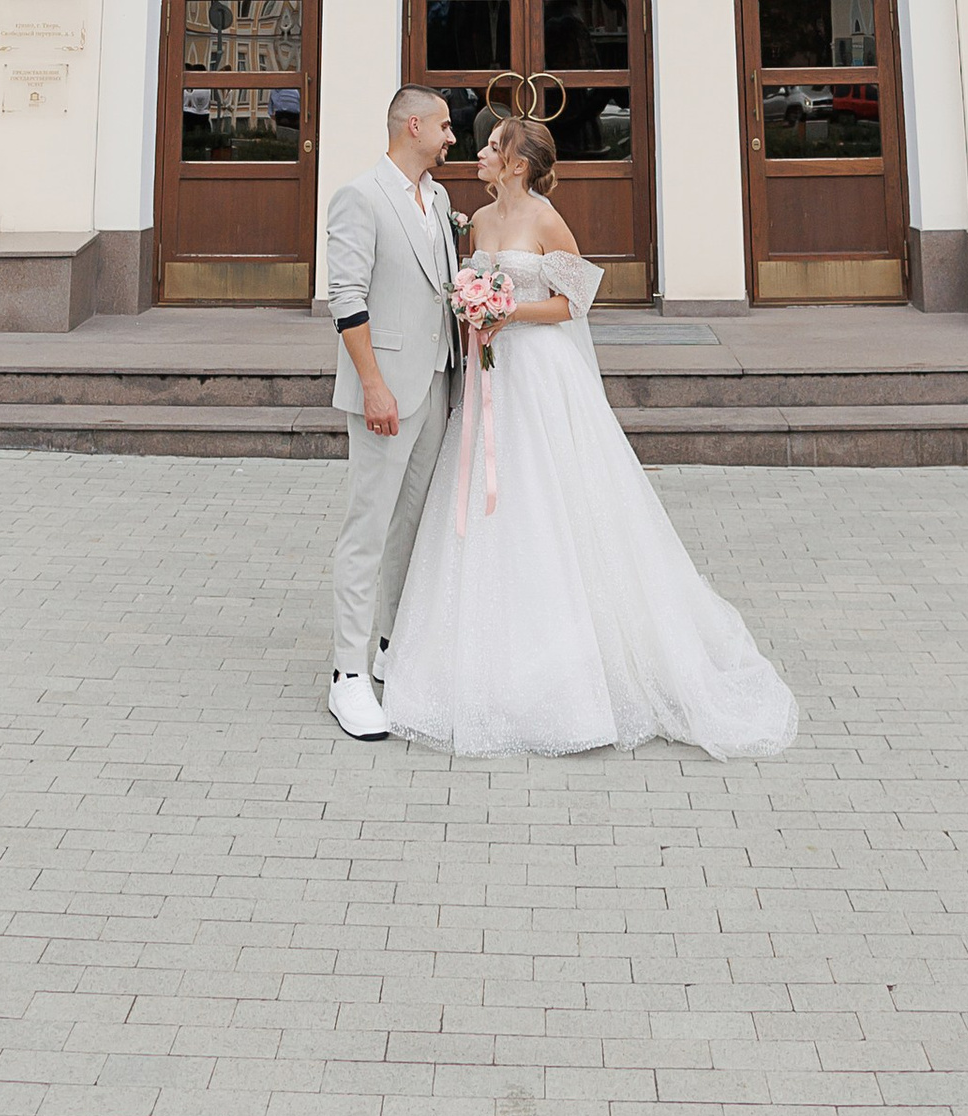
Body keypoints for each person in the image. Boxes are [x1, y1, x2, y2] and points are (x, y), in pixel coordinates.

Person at [382, 115, 798, 760]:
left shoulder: (546, 220)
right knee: (493, 501)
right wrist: (473, 308)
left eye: (495, 147)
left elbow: (574, 303)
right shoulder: (479, 223)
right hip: (494, 381)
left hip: (541, 374)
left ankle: (577, 656)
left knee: (554, 495)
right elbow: (469, 285)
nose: (482, 153)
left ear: (519, 163)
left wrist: (504, 309)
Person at [323, 83, 459, 739]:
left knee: (413, 524)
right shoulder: (359, 196)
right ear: (412, 127)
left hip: (435, 384)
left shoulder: (438, 199)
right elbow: (345, 301)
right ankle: (347, 676)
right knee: (368, 527)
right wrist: (373, 385)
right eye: (444, 126)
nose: (451, 137)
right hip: (386, 390)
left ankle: (390, 643)